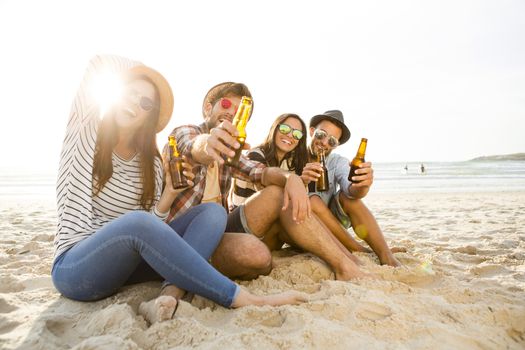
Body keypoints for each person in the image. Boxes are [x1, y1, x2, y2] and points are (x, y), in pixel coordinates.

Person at [52, 55, 307, 325]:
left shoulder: (147, 161)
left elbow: (150, 221)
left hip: (126, 267)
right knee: (138, 223)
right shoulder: (85, 136)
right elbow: (98, 65)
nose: (134, 103)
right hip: (77, 267)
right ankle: (241, 298)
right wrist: (150, 79)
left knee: (212, 213)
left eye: (146, 102)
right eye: (129, 93)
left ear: (149, 116)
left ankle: (169, 292)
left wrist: (170, 194)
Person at [164, 84, 367, 281]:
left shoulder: (233, 154)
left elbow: (257, 172)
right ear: (208, 107)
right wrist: (208, 144)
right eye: (226, 105)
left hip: (221, 230)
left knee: (275, 210)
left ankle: (346, 264)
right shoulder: (185, 132)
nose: (231, 114)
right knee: (259, 249)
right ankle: (348, 257)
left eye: (239, 112)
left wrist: (291, 178)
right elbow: (193, 144)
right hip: (182, 235)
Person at [301, 110, 402, 266]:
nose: (324, 142)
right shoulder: (294, 155)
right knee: (312, 200)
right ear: (312, 131)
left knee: (349, 198)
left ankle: (385, 255)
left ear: (336, 145)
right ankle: (361, 250)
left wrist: (362, 185)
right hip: (302, 226)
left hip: (332, 228)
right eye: (321, 134)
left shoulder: (336, 161)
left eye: (332, 141)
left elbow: (352, 189)